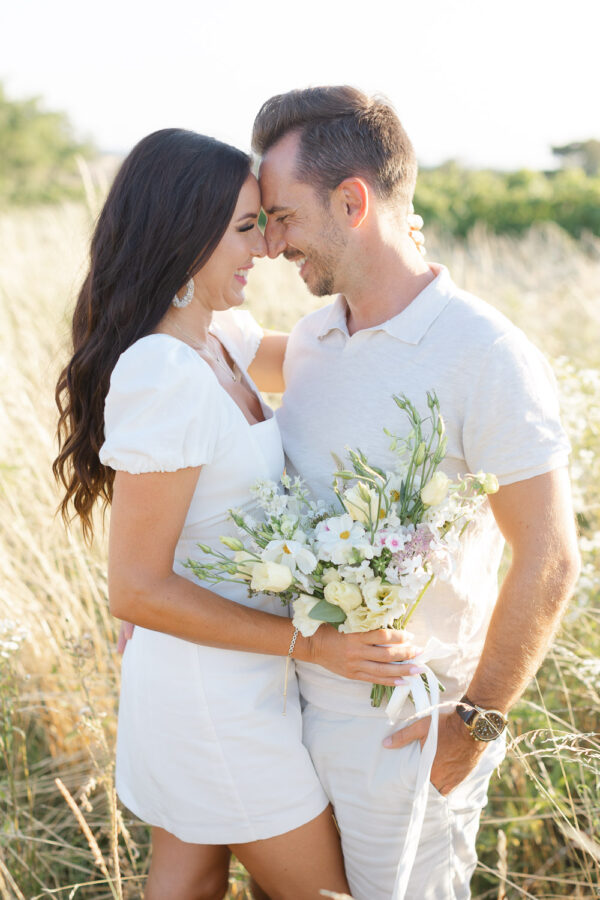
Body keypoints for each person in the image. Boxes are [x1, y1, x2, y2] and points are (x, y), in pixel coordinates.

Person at [52, 128, 422, 900]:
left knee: (188, 882)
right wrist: (310, 646)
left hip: (234, 680)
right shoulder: (162, 370)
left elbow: (339, 353)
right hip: (210, 699)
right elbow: (136, 590)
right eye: (247, 228)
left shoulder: (218, 340)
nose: (267, 247)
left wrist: (402, 268)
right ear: (184, 236)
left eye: (267, 223)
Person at [250, 86, 581, 899]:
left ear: (352, 201)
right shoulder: (315, 339)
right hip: (285, 713)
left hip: (405, 736)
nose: (271, 244)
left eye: (284, 218)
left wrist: (475, 724)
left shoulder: (486, 352)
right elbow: (212, 356)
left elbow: (549, 557)